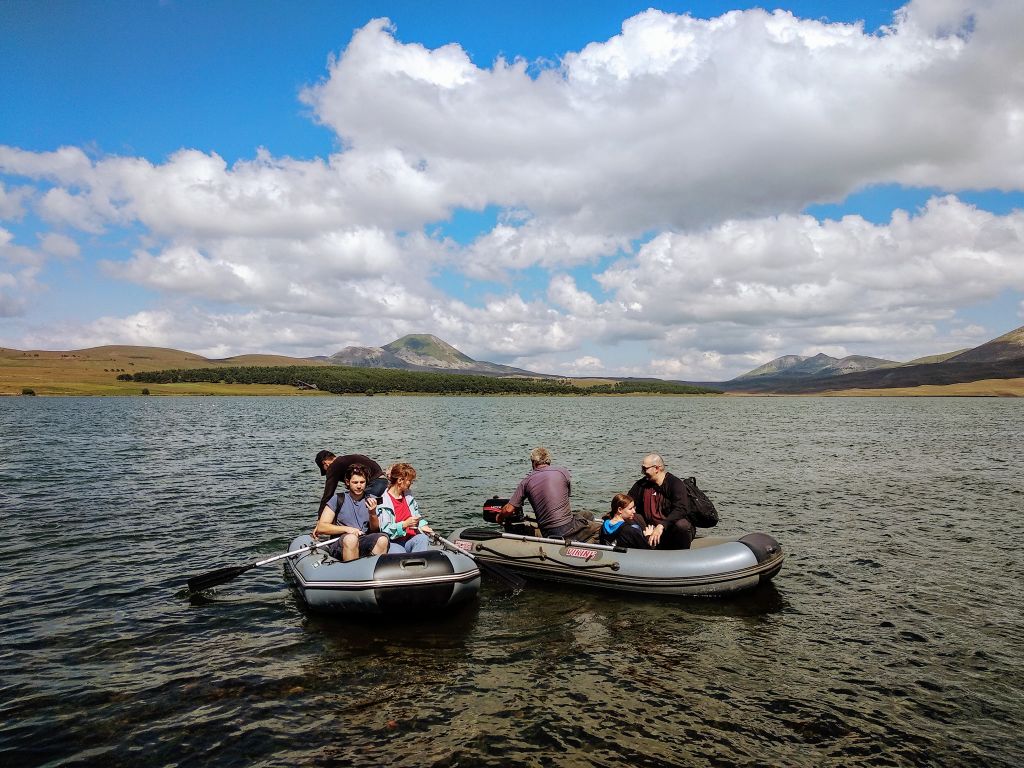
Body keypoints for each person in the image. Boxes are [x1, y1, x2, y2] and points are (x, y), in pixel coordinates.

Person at [499, 447, 600, 542]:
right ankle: (582, 549)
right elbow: (565, 497)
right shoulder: (563, 472)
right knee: (600, 529)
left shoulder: (526, 481)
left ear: (533, 463)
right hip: (567, 527)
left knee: (587, 515)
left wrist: (499, 517)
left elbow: (508, 509)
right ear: (549, 461)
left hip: (547, 531)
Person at [312, 463, 390, 562]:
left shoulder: (372, 499)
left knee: (383, 539)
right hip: (341, 542)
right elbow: (322, 527)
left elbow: (375, 530)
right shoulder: (337, 499)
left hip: (364, 539)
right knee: (351, 539)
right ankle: (351, 569)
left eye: (362, 482)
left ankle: (374, 568)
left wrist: (372, 513)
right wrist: (347, 529)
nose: (359, 486)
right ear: (347, 482)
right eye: (355, 482)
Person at [627, 453, 698, 549]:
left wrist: (661, 526)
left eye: (645, 469)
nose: (642, 472)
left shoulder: (675, 484)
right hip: (649, 528)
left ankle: (682, 552)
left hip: (669, 528)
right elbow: (627, 502)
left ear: (656, 468)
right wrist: (614, 517)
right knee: (629, 516)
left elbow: (681, 509)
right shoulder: (641, 485)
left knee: (682, 525)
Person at [375, 463, 435, 553]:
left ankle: (418, 561)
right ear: (400, 480)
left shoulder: (408, 497)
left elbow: (416, 516)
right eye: (409, 480)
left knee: (423, 538)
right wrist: (405, 524)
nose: (411, 483)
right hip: (394, 542)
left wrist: (423, 525)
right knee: (399, 553)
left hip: (410, 539)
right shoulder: (383, 502)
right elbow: (385, 529)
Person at [314, 450, 388, 515]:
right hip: (384, 482)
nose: (327, 471)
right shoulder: (348, 459)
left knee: (358, 508)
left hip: (375, 484)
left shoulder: (333, 466)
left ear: (325, 463)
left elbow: (328, 494)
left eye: (325, 470)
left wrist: (320, 517)